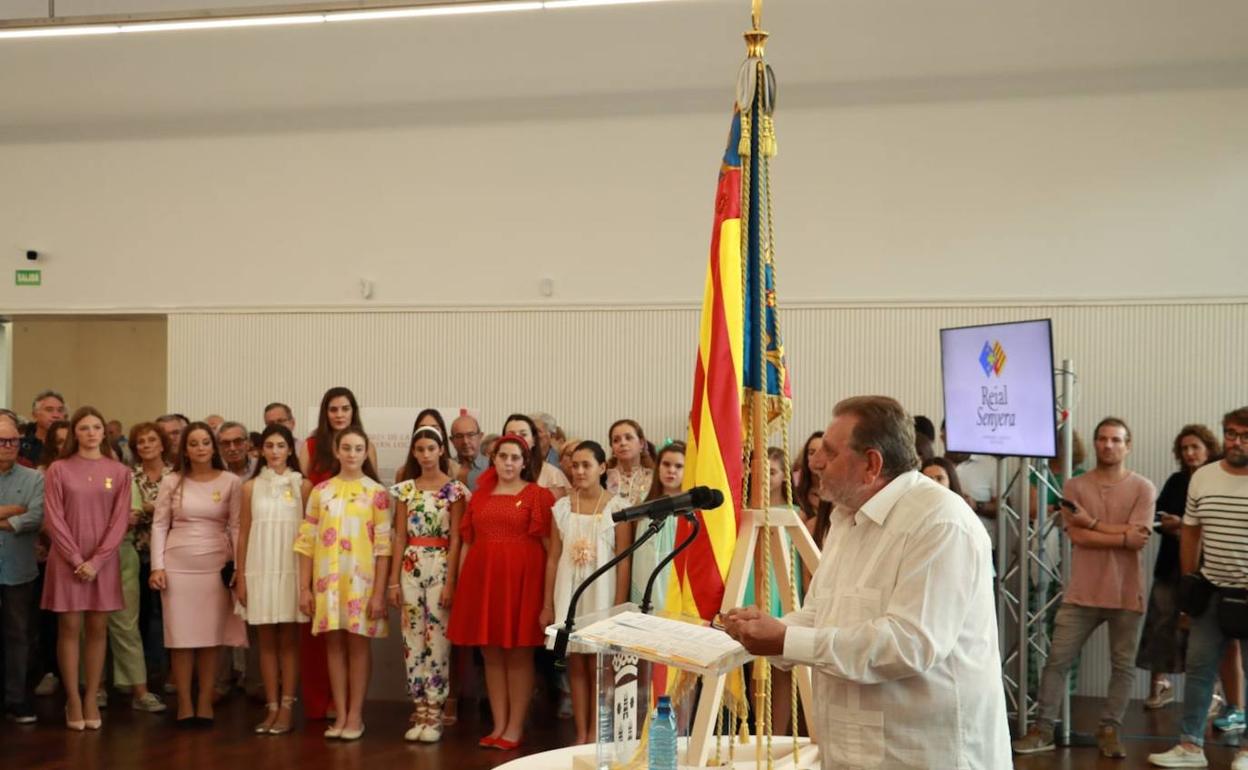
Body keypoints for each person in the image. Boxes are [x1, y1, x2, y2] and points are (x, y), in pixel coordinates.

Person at [723, 396, 1011, 769]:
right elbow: (820, 615)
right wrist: (757, 631)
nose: (814, 461)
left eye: (828, 451)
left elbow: (911, 643)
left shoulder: (939, 522)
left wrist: (784, 639)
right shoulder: (846, 516)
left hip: (925, 753)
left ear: (871, 464)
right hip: (853, 750)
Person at [1013, 417, 1156, 758]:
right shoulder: (1074, 486)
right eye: (1103, 439)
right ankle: (1042, 728)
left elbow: (1139, 540)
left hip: (1126, 592)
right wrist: (1118, 534)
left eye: (1116, 440)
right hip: (1081, 591)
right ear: (1094, 444)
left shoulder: (1143, 488)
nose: (1108, 445)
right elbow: (1076, 536)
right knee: (1057, 660)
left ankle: (1110, 729)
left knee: (1122, 667)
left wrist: (1092, 523)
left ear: (1128, 445)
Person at [1149, 407, 1248, 769]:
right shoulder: (1203, 477)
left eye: (1246, 435)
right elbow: (1191, 530)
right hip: (1209, 590)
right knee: (1199, 665)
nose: (1237, 442)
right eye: (1232, 433)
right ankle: (1190, 746)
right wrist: (1190, 579)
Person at [448, 434, 554, 751]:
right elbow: (468, 541)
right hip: (484, 583)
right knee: (491, 655)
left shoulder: (538, 495)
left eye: (515, 457)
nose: (508, 462)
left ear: (525, 462)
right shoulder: (479, 496)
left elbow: (551, 550)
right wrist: (460, 585)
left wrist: (548, 599)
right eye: (503, 456)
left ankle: (514, 727)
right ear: (493, 458)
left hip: (522, 584)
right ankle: (498, 724)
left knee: (519, 656)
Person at [40, 406, 133, 731]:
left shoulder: (119, 471)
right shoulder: (59, 469)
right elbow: (53, 518)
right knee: (69, 630)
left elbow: (120, 521)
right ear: (74, 433)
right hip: (67, 562)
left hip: (102, 563)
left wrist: (96, 561)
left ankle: (92, 695)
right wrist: (77, 560)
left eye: (97, 427)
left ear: (104, 432)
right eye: (84, 428)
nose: (91, 433)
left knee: (97, 629)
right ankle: (73, 699)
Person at [295, 426, 391, 741]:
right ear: (336, 451)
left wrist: (379, 592)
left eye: (357, 448)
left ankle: (356, 715)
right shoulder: (321, 491)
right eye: (346, 448)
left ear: (366, 453)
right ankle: (340, 710)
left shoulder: (376, 493)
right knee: (333, 646)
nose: (351, 454)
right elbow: (306, 541)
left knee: (358, 646)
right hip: (327, 582)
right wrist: (304, 587)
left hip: (361, 584)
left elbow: (383, 547)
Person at [149, 422, 247, 725]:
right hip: (177, 565)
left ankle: (205, 700)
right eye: (194, 443)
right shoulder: (172, 481)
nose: (201, 448)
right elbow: (160, 524)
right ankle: (184, 702)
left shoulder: (231, 481)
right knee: (180, 637)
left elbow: (236, 526)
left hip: (216, 566)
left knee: (210, 637)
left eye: (206, 442)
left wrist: (239, 569)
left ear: (213, 447)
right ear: (185, 449)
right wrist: (157, 566)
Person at [543, 440, 629, 745]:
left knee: (599, 664)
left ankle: (597, 731)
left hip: (602, 593)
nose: (579, 471)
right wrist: (547, 605)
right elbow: (553, 558)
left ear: (602, 468)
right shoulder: (562, 508)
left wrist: (620, 605)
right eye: (575, 465)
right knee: (576, 662)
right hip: (569, 593)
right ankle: (580, 732)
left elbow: (623, 559)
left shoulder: (617, 508)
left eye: (586, 465)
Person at [386, 425, 467, 742]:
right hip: (411, 564)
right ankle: (418, 707)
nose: (425, 455)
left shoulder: (453, 490)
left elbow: (458, 537)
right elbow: (399, 537)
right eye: (419, 449)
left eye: (431, 449)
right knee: (412, 639)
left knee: (438, 640)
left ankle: (435, 711)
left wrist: (450, 583)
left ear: (441, 451)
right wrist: (393, 582)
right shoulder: (406, 490)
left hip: (441, 562)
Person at [234, 424, 310, 735]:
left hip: (291, 567)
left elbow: (309, 535)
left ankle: (289, 706)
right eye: (269, 446)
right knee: (264, 641)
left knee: (289, 641)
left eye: (281, 445)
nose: (275, 451)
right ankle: (272, 705)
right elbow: (244, 533)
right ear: (260, 450)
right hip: (260, 567)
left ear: (290, 449)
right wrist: (241, 577)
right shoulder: (250, 488)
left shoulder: (303, 485)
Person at [1138, 425, 1219, 711]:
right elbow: (1156, 516)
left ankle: (1215, 694)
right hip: (1170, 565)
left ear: (1208, 448)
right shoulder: (1176, 480)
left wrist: (1184, 526)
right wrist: (1172, 525)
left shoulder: (1219, 480)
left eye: (1195, 447)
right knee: (1160, 624)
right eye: (1184, 448)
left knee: (1207, 629)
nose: (1189, 453)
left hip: (1209, 568)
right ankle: (1160, 685)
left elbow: (1219, 524)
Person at [103, 424, 167, 715]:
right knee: (85, 628)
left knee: (128, 625)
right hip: (86, 558)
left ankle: (139, 690)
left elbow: (133, 516)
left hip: (126, 554)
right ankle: (95, 688)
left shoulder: (125, 478)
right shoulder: (72, 476)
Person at [0, 414, 45, 723]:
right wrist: (12, 512)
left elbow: (36, 516)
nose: (8, 446)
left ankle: (16, 698)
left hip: (18, 569)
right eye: (2, 441)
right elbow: (23, 514)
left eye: (13, 440)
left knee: (19, 635)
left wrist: (14, 520)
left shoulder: (34, 478)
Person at [128, 422, 172, 683]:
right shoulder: (129, 476)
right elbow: (128, 512)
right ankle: (144, 672)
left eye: (151, 440)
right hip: (137, 552)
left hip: (169, 554)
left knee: (167, 614)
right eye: (140, 442)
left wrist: (148, 508)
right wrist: (155, 509)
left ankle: (169, 670)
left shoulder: (175, 474)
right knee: (143, 614)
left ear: (162, 444)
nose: (146, 445)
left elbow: (177, 511)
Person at [628, 441, 685, 613]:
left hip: (673, 581)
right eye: (666, 464)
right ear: (658, 466)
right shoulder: (644, 502)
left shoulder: (690, 509)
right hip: (644, 575)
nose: (671, 470)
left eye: (678, 466)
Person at [501, 414, 569, 498]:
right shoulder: (495, 471)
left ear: (533, 440)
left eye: (523, 434)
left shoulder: (553, 476)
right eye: (511, 434)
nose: (517, 439)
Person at [606, 419, 654, 506]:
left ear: (641, 443)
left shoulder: (654, 478)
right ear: (612, 447)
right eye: (616, 440)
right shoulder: (603, 478)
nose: (623, 443)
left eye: (628, 438)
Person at [19, 390, 67, 466]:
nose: (56, 415)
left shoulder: (72, 444)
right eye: (49, 410)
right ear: (35, 415)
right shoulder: (20, 445)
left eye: (60, 410)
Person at [449, 413, 488, 490]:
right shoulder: (446, 468)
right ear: (452, 440)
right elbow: (440, 501)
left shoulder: (492, 467)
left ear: (480, 436)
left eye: (470, 435)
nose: (465, 441)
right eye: (459, 436)